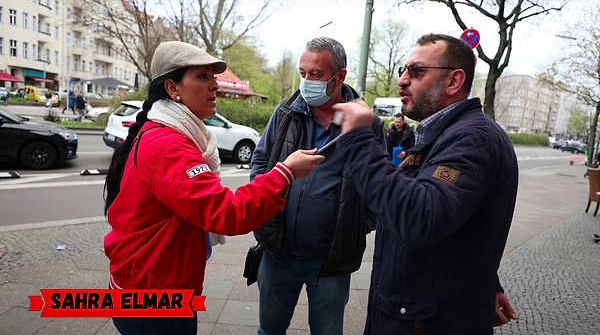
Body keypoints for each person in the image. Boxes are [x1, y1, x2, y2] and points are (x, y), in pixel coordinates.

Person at [103, 41, 324, 335]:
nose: (214, 86)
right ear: (172, 88)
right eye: (202, 77)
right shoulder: (169, 145)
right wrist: (283, 173)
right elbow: (227, 213)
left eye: (213, 77)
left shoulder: (162, 133)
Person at [332, 34, 519, 334]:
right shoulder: (446, 134)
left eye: (416, 71)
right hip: (415, 311)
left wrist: (358, 139)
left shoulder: (471, 139)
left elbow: (420, 217)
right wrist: (484, 278)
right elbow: (463, 220)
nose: (403, 80)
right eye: (403, 71)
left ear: (454, 81)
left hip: (424, 321)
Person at [250, 37, 386, 335]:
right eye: (303, 73)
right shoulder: (286, 112)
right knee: (268, 329)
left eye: (316, 75)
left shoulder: (366, 123)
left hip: (331, 263)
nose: (307, 81)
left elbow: (379, 186)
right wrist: (263, 212)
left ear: (340, 76)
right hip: (278, 253)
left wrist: (355, 226)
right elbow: (260, 164)